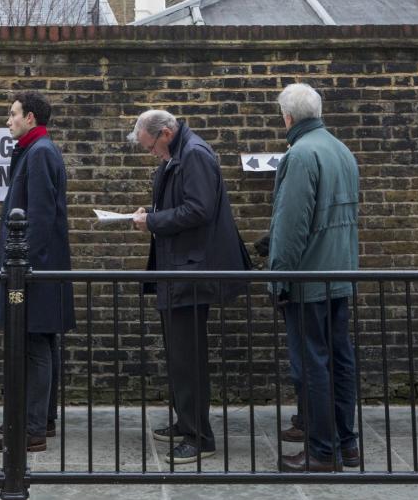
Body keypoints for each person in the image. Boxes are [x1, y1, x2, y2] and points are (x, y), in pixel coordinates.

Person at [130, 109, 247, 465]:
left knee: (188, 357)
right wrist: (152, 212)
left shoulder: (193, 153)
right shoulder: (180, 153)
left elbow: (199, 209)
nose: (152, 154)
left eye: (152, 147)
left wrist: (152, 221)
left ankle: (200, 438)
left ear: (165, 133)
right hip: (178, 268)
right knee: (180, 356)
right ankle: (186, 423)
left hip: (190, 271)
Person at [268, 84, 361, 473]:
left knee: (312, 365)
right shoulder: (341, 150)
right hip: (339, 272)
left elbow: (292, 226)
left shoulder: (300, 155)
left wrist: (279, 280)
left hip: (309, 277)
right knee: (339, 359)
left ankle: (322, 452)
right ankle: (345, 443)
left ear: (287, 118)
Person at [0, 91, 75, 454]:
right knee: (43, 342)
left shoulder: (38, 154)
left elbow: (37, 218)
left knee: (35, 345)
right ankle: (43, 419)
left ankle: (32, 428)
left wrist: (20, 269)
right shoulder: (34, 152)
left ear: (31, 119)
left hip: (34, 269)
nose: (8, 121)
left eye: (13, 114)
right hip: (42, 265)